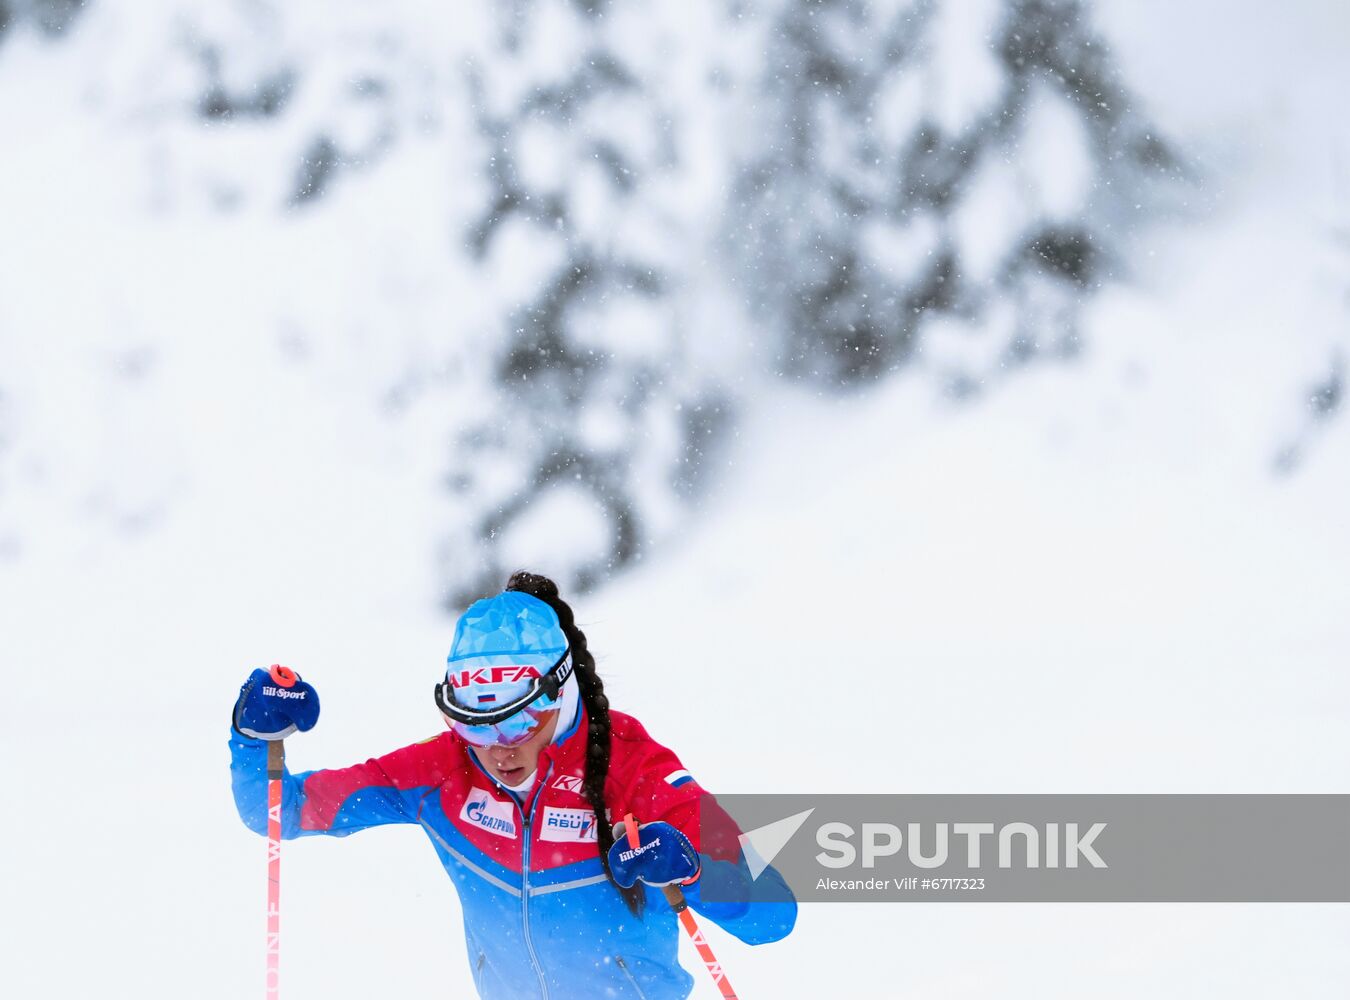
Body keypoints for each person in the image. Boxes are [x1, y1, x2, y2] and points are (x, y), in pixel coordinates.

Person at [229, 570, 796, 999]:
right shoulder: (444, 770)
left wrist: (692, 868)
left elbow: (774, 913)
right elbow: (277, 811)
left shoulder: (634, 770)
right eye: (474, 721)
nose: (500, 745)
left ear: (561, 690)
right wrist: (253, 738)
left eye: (520, 717)